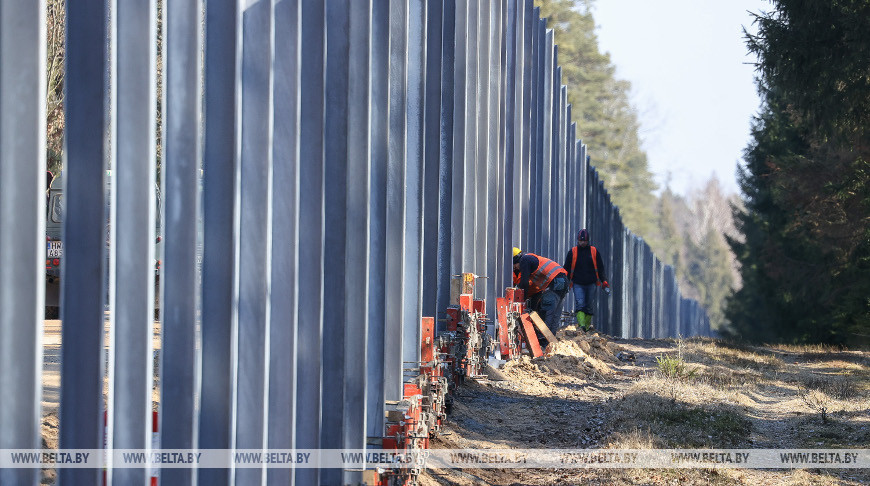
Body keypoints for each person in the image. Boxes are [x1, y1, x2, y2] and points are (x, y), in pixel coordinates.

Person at [512, 247, 570, 336]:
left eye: (515, 266)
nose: (516, 269)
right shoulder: (530, 259)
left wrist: (522, 302)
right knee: (555, 314)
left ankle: (543, 338)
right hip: (562, 281)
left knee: (547, 311)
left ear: (516, 260)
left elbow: (524, 283)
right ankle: (550, 339)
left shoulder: (524, 260)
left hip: (556, 281)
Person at [563, 229, 609, 331]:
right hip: (577, 283)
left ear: (588, 241)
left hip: (591, 283)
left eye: (585, 241)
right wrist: (565, 281)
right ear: (578, 240)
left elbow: (600, 268)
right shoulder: (573, 252)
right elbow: (566, 268)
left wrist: (604, 281)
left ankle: (586, 328)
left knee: (589, 305)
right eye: (581, 240)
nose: (583, 242)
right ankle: (582, 326)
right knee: (580, 304)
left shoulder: (594, 251)